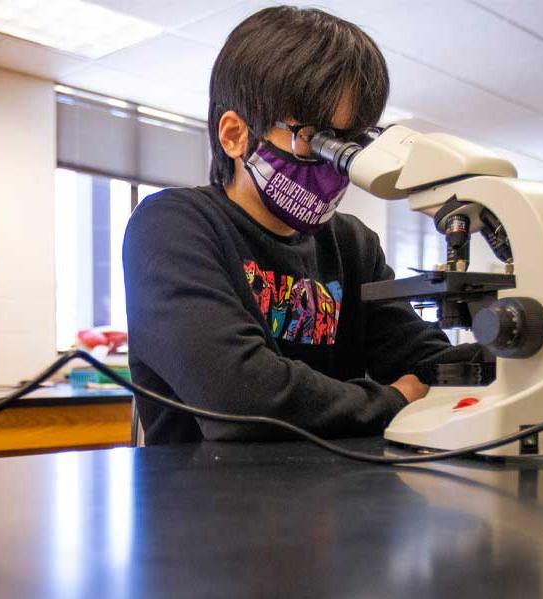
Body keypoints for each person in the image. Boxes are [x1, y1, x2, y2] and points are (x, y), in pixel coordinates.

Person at [123, 6, 470, 444]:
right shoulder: (171, 226)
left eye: (350, 143)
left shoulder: (351, 244)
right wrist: (392, 402)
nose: (334, 163)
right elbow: (240, 396)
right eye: (314, 138)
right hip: (207, 502)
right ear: (234, 135)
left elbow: (424, 360)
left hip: (337, 498)